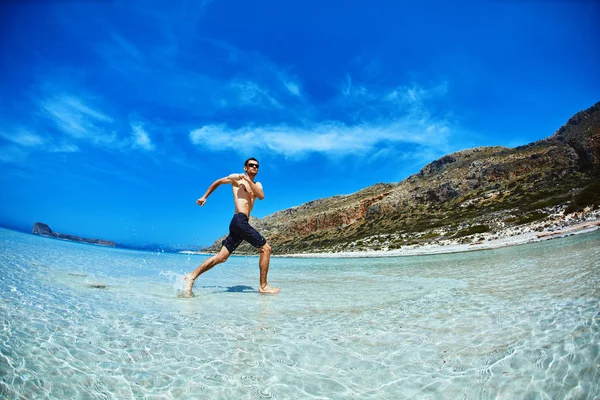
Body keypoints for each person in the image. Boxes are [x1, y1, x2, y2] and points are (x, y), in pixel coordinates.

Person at [183, 158, 280, 296]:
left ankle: (191, 276)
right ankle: (263, 286)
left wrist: (247, 181)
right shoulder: (236, 179)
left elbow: (261, 196)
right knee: (266, 249)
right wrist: (204, 197)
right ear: (245, 167)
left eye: (257, 166)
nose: (254, 167)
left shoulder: (257, 184)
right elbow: (218, 182)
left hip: (242, 222)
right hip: (238, 219)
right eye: (251, 165)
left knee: (221, 257)